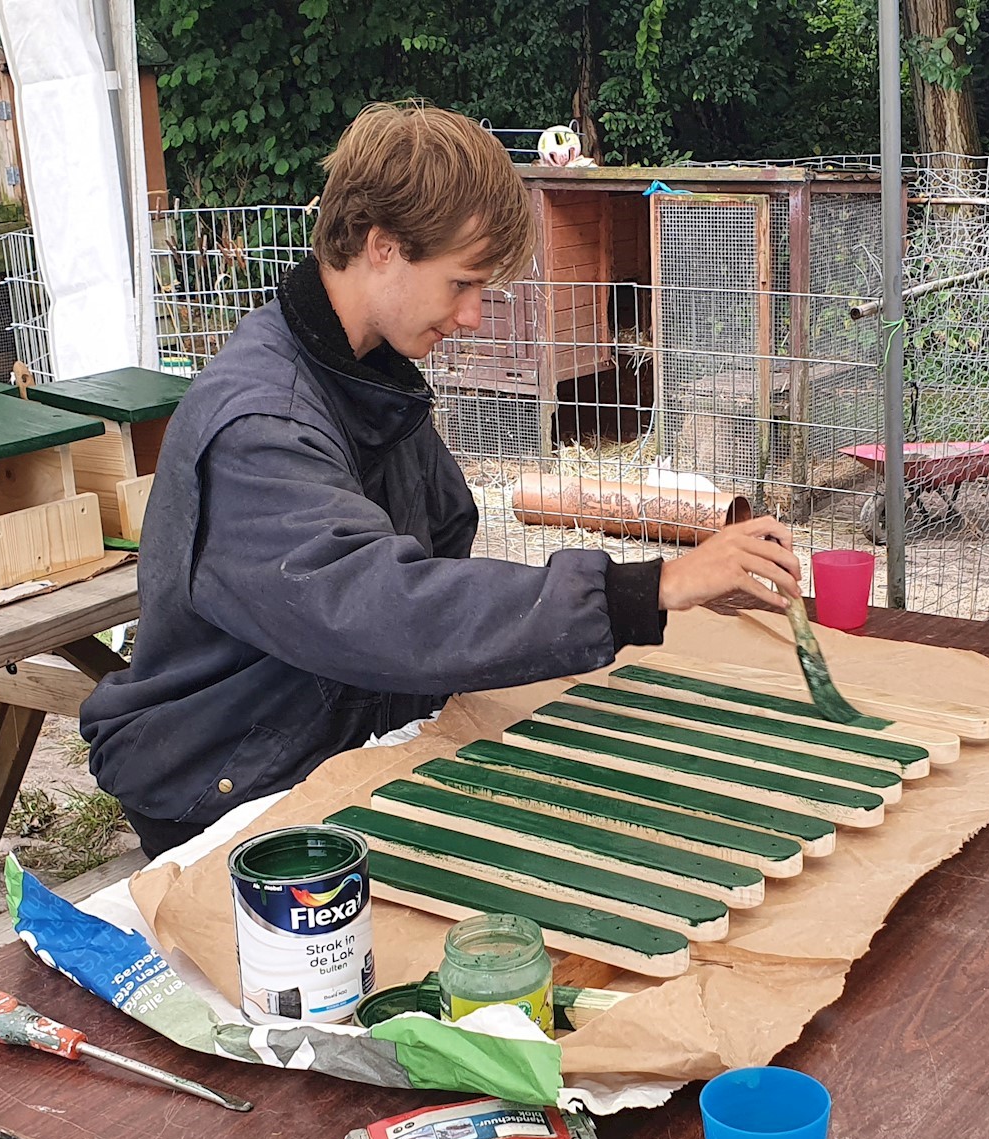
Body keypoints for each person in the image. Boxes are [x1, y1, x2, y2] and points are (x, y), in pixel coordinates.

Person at [79, 101, 800, 856]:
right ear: (381, 246)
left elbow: (443, 546)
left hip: (338, 728)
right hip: (222, 778)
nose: (476, 316)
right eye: (462, 283)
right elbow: (383, 608)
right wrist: (643, 589)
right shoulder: (264, 425)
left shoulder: (365, 376)